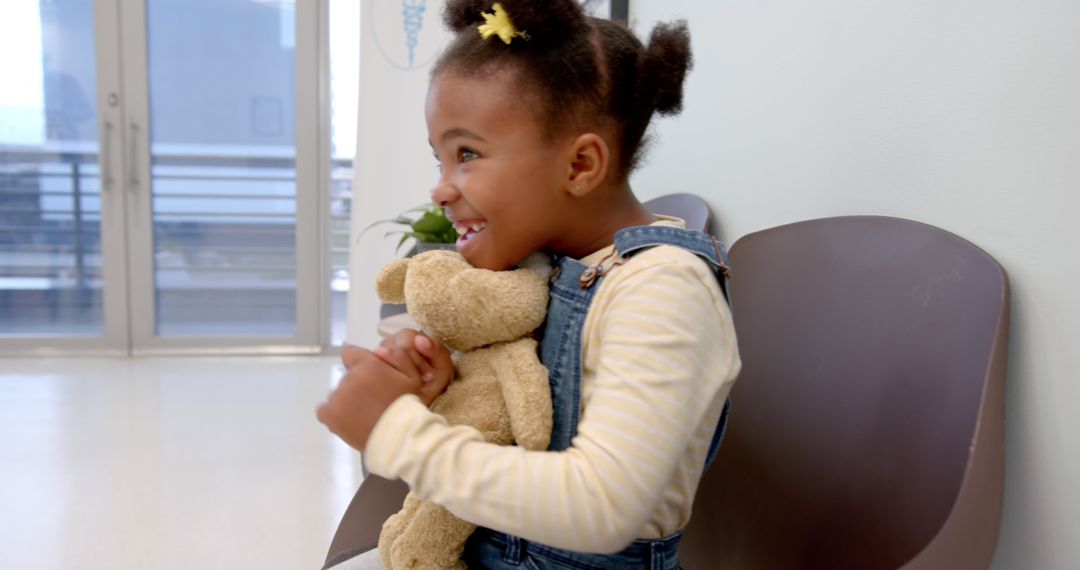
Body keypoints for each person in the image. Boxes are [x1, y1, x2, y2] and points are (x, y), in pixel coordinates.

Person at [317, 1, 740, 568]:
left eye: (466, 154)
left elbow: (603, 507)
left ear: (579, 166)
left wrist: (398, 434)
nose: (441, 189)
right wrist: (442, 390)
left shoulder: (663, 290)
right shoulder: (548, 266)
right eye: (439, 159)